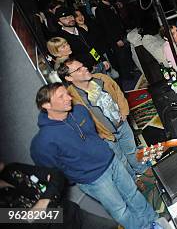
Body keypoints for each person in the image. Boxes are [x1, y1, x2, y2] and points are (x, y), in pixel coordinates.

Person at [31, 83, 159, 229]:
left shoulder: (79, 111)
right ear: (46, 105)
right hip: (94, 179)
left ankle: (154, 220)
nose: (69, 98)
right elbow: (53, 171)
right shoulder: (43, 141)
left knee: (133, 194)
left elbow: (94, 134)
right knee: (121, 210)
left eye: (67, 93)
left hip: (112, 162)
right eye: (61, 96)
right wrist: (79, 176)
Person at [57, 59, 149, 183]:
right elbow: (78, 123)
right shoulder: (72, 98)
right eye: (78, 69)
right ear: (68, 77)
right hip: (105, 135)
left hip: (122, 123)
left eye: (83, 65)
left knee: (132, 150)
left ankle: (143, 169)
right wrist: (98, 135)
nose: (85, 68)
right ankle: (134, 180)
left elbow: (118, 92)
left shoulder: (101, 78)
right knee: (120, 159)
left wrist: (124, 111)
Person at [0, 161, 117, 229]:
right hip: (63, 225)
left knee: (114, 227)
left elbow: (56, 175)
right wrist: (51, 193)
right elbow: (41, 221)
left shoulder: (12, 169)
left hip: (75, 214)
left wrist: (44, 201)